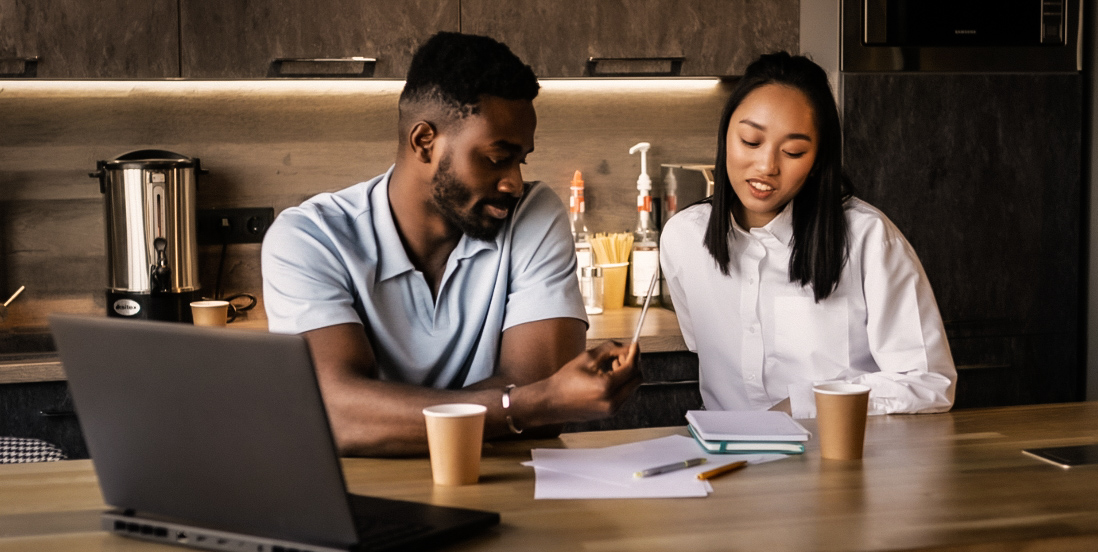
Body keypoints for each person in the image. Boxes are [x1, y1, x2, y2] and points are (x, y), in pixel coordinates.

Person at [262, 32, 640, 456]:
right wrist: (528, 405)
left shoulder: (532, 213)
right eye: (498, 158)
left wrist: (385, 415)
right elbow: (336, 415)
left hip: (508, 487)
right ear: (424, 142)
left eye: (522, 160)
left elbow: (542, 402)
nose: (514, 182)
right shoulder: (311, 238)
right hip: (366, 496)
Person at [659, 52, 956, 418]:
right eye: (751, 141)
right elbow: (698, 345)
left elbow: (929, 382)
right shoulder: (683, 238)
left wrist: (805, 403)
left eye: (793, 151)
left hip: (834, 458)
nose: (767, 166)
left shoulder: (868, 238)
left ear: (817, 160)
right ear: (725, 138)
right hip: (725, 459)